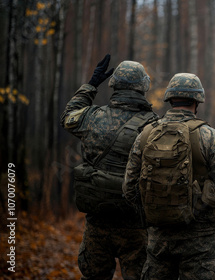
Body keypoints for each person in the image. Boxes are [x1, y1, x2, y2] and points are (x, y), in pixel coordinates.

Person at [123, 73, 215, 279]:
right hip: (199, 244)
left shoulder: (146, 134)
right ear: (197, 101)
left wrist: (156, 210)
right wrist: (205, 201)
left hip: (158, 241)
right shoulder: (208, 135)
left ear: (170, 99)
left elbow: (129, 190)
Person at [60, 54, 158, 279]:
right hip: (136, 225)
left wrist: (91, 85)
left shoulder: (92, 117)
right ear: (143, 87)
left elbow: (67, 117)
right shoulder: (155, 126)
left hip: (97, 223)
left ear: (114, 85)